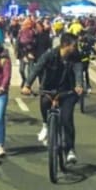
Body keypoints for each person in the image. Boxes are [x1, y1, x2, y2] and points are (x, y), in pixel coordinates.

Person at [21, 33, 84, 163]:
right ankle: (45, 124)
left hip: (67, 91)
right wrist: (27, 85)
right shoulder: (50, 55)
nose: (76, 47)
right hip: (49, 88)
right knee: (44, 101)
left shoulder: (75, 56)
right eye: (74, 45)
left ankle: (70, 149)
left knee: (67, 119)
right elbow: (37, 68)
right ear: (66, 45)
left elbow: (78, 70)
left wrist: (79, 85)